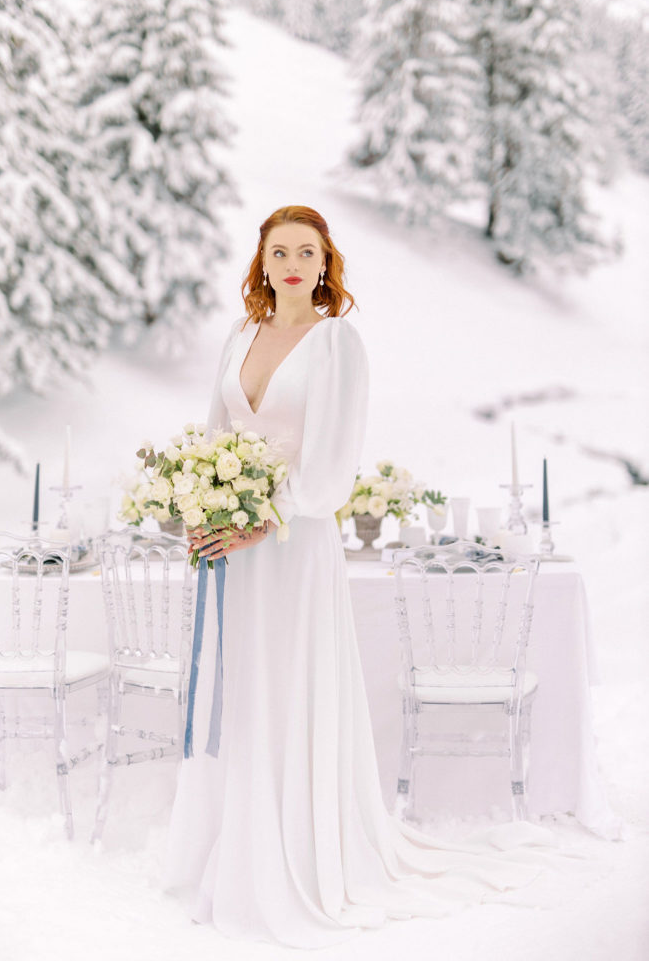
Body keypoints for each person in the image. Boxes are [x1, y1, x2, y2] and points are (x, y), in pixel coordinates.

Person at [163, 206, 545, 948]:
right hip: (234, 551)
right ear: (262, 261)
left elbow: (333, 464)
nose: (293, 264)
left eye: (307, 252)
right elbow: (214, 434)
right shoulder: (239, 335)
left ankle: (302, 852)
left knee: (291, 681)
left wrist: (265, 516)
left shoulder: (337, 343)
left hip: (294, 543)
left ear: (325, 262)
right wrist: (197, 505)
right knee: (244, 685)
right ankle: (238, 846)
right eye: (280, 252)